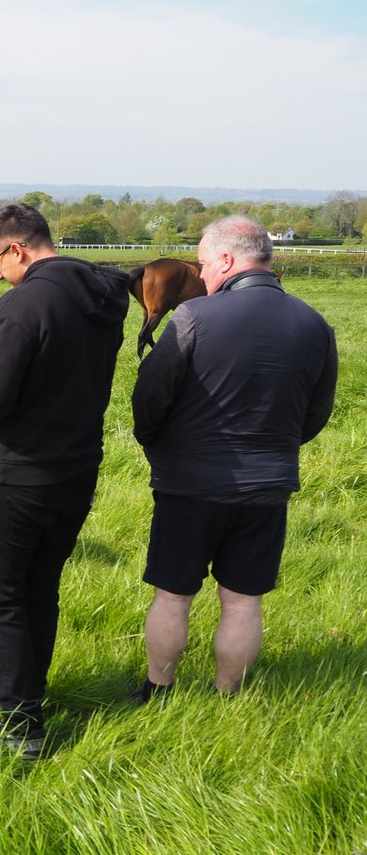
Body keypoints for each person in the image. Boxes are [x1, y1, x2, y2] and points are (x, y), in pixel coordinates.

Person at [131, 215, 337, 702]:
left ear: (226, 259)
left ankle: (156, 690)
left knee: (173, 594)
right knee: (244, 601)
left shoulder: (192, 318)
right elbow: (316, 414)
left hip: (188, 485)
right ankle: (229, 698)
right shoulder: (315, 325)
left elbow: (149, 400)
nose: (200, 276)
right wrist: (275, 447)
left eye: (203, 264)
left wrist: (158, 446)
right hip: (268, 485)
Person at [0, 203, 128, 758]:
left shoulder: (20, 306)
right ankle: (34, 696)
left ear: (17, 249)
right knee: (40, 589)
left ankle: (21, 726)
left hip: (18, 473)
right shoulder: (106, 296)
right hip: (77, 469)